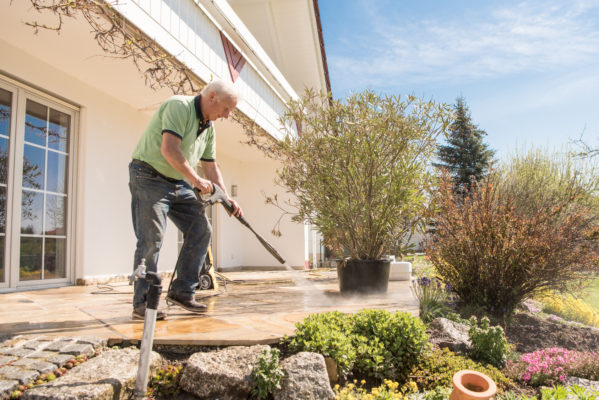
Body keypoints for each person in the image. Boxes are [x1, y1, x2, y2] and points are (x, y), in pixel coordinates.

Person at [129, 79, 242, 320]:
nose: (226, 115)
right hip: (148, 175)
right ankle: (143, 303)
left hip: (176, 181)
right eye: (226, 109)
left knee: (201, 230)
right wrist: (195, 180)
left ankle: (182, 292)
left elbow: (211, 169)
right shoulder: (179, 107)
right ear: (212, 96)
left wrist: (227, 199)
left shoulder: (209, 129)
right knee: (152, 238)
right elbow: (170, 150)